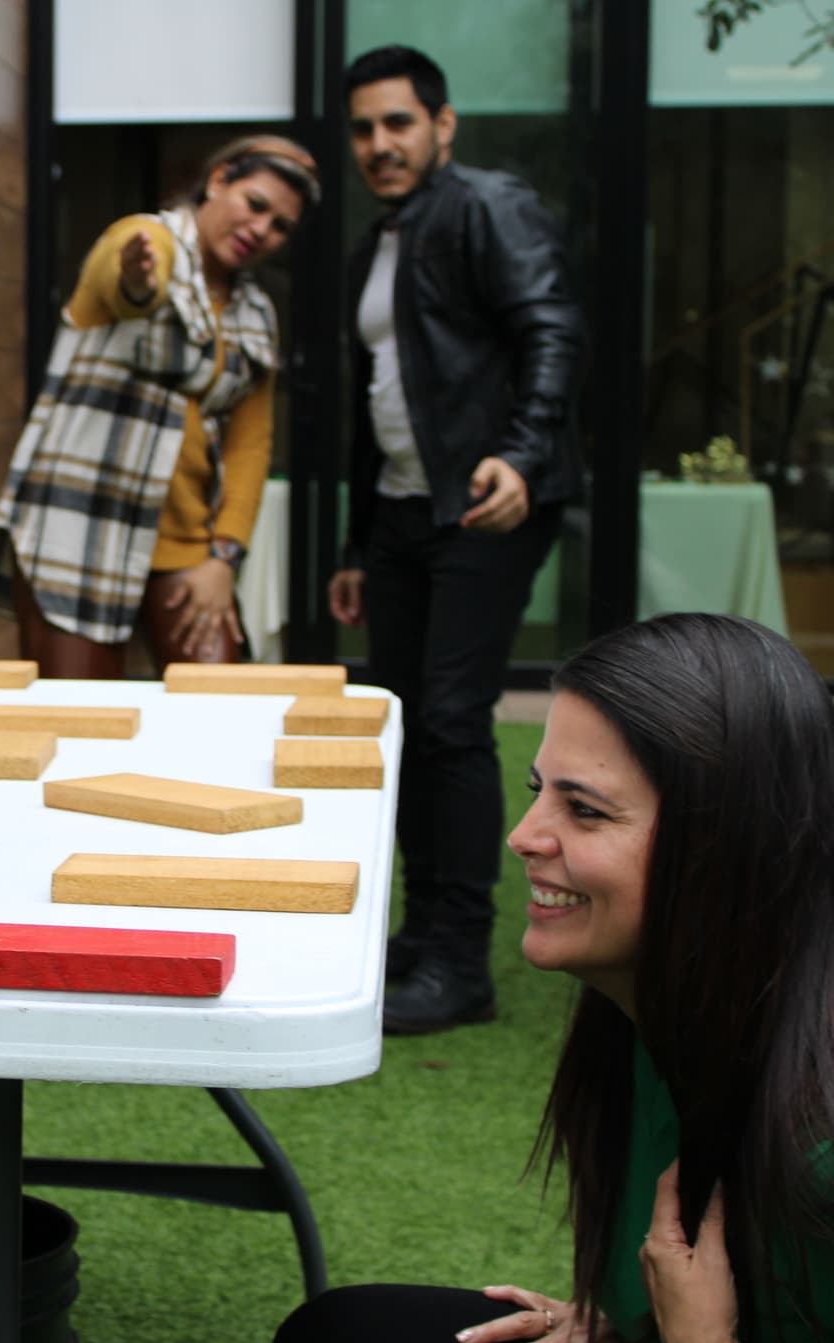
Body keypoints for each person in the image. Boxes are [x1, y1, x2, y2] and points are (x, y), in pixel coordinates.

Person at [272, 613, 834, 1343]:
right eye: (541, 791)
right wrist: (633, 1339)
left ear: (725, 850)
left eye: (586, 809)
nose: (526, 835)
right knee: (341, 1338)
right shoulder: (650, 1015)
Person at [322, 46, 585, 1033]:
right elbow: (372, 408)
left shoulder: (486, 206)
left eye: (396, 123)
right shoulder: (378, 245)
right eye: (362, 128)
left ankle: (459, 958)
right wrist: (353, 543)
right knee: (399, 724)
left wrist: (519, 456)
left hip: (483, 501)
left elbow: (551, 330)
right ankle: (420, 933)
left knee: (447, 720)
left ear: (442, 125)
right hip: (399, 513)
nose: (378, 144)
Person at [0, 134, 321, 678]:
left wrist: (224, 557)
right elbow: (124, 283)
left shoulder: (257, 312)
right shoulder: (146, 238)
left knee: (219, 713)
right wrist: (137, 279)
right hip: (79, 528)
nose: (262, 229)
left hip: (187, 546)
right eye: (255, 204)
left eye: (281, 225)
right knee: (83, 727)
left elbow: (250, 446)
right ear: (218, 182)